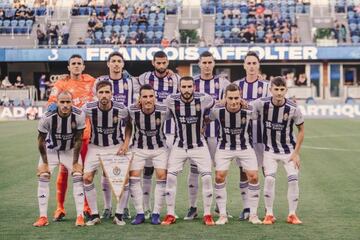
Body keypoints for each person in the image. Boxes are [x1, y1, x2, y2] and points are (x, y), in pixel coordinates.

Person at [161, 76, 215, 226]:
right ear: (179, 88)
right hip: (179, 145)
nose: (186, 90)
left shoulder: (204, 99)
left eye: (189, 86)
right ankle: (170, 213)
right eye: (183, 87)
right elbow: (161, 113)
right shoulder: (171, 100)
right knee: (170, 177)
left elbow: (216, 108)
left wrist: (206, 121)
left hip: (199, 145)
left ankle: (208, 214)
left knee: (206, 177)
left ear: (194, 87)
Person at [48, 54, 95, 221]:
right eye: (73, 63)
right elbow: (51, 106)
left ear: (83, 66)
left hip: (87, 136)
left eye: (79, 63)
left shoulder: (91, 81)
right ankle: (60, 208)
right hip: (67, 137)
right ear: (68, 67)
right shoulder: (61, 84)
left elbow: (107, 88)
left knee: (85, 172)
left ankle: (86, 206)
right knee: (64, 171)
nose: (76, 66)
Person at [252, 76, 304, 225]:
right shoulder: (261, 104)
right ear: (271, 90)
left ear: (286, 90)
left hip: (289, 151)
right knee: (269, 179)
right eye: (276, 89)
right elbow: (246, 107)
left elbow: (301, 130)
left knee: (293, 180)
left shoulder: (293, 108)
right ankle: (269, 214)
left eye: (282, 90)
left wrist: (296, 153)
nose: (279, 93)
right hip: (269, 150)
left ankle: (292, 214)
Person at [94, 51, 140, 220]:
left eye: (119, 61)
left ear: (123, 64)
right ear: (108, 64)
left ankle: (124, 207)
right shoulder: (99, 82)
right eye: (113, 61)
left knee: (124, 174)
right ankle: (107, 207)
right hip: (105, 135)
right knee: (106, 173)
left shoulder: (131, 82)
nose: (116, 64)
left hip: (124, 132)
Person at [186, 51, 230, 220]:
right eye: (203, 62)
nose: (206, 65)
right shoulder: (192, 82)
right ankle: (193, 206)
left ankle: (220, 207)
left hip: (217, 133)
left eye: (209, 62)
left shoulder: (223, 82)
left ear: (213, 63)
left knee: (219, 170)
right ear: (199, 63)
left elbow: (230, 100)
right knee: (195, 170)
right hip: (195, 134)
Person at [209, 84, 261, 225]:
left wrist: (247, 104)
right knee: (219, 177)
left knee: (254, 177)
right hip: (224, 147)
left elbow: (257, 116)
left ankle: (253, 215)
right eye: (230, 98)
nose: (233, 101)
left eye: (236, 98)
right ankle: (223, 215)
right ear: (225, 98)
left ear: (240, 97)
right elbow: (207, 118)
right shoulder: (217, 110)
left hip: (245, 147)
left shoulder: (249, 110)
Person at [33, 91, 86, 227]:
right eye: (62, 102)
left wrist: (75, 163)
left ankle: (80, 216)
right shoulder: (47, 117)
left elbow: (79, 139)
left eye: (68, 102)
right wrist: (45, 162)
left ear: (72, 102)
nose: (65, 105)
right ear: (57, 102)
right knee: (43, 176)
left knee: (78, 176)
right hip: (51, 151)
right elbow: (40, 141)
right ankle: (43, 217)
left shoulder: (79, 115)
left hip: (69, 151)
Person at [137, 51, 180, 219]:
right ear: (153, 62)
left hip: (169, 130)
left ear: (167, 62)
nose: (161, 66)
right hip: (149, 131)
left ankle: (169, 209)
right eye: (158, 63)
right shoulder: (144, 78)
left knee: (168, 172)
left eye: (164, 63)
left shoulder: (175, 79)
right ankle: (147, 208)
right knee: (147, 170)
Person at [82, 80, 130, 226]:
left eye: (107, 92)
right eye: (101, 92)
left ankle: (119, 215)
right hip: (95, 147)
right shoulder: (88, 107)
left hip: (115, 146)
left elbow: (129, 124)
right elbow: (75, 117)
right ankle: (95, 215)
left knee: (124, 180)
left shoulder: (121, 108)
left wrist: (126, 143)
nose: (104, 95)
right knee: (87, 178)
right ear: (96, 94)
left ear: (112, 94)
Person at [121, 84, 170, 225]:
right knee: (134, 176)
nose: (148, 100)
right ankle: (140, 213)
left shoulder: (163, 110)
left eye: (151, 96)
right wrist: (126, 142)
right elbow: (129, 126)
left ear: (155, 97)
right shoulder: (132, 109)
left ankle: (156, 213)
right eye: (145, 97)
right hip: (138, 148)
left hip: (159, 148)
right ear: (140, 98)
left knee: (161, 176)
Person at [233, 51, 270, 220]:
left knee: (266, 171)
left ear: (258, 65)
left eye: (254, 63)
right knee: (243, 171)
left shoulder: (268, 87)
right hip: (243, 137)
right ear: (244, 66)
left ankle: (267, 208)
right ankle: (247, 207)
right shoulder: (236, 86)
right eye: (248, 63)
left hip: (263, 136)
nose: (252, 66)